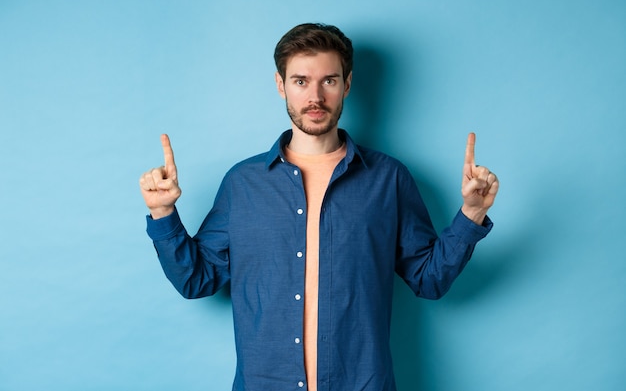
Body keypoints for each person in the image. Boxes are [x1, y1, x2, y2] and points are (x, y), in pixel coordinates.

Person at [139, 23, 499, 391]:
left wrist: (471, 214)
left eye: (329, 80)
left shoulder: (388, 179)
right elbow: (196, 280)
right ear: (281, 85)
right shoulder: (242, 184)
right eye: (300, 81)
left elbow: (429, 279)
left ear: (348, 84)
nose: (315, 96)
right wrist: (163, 214)